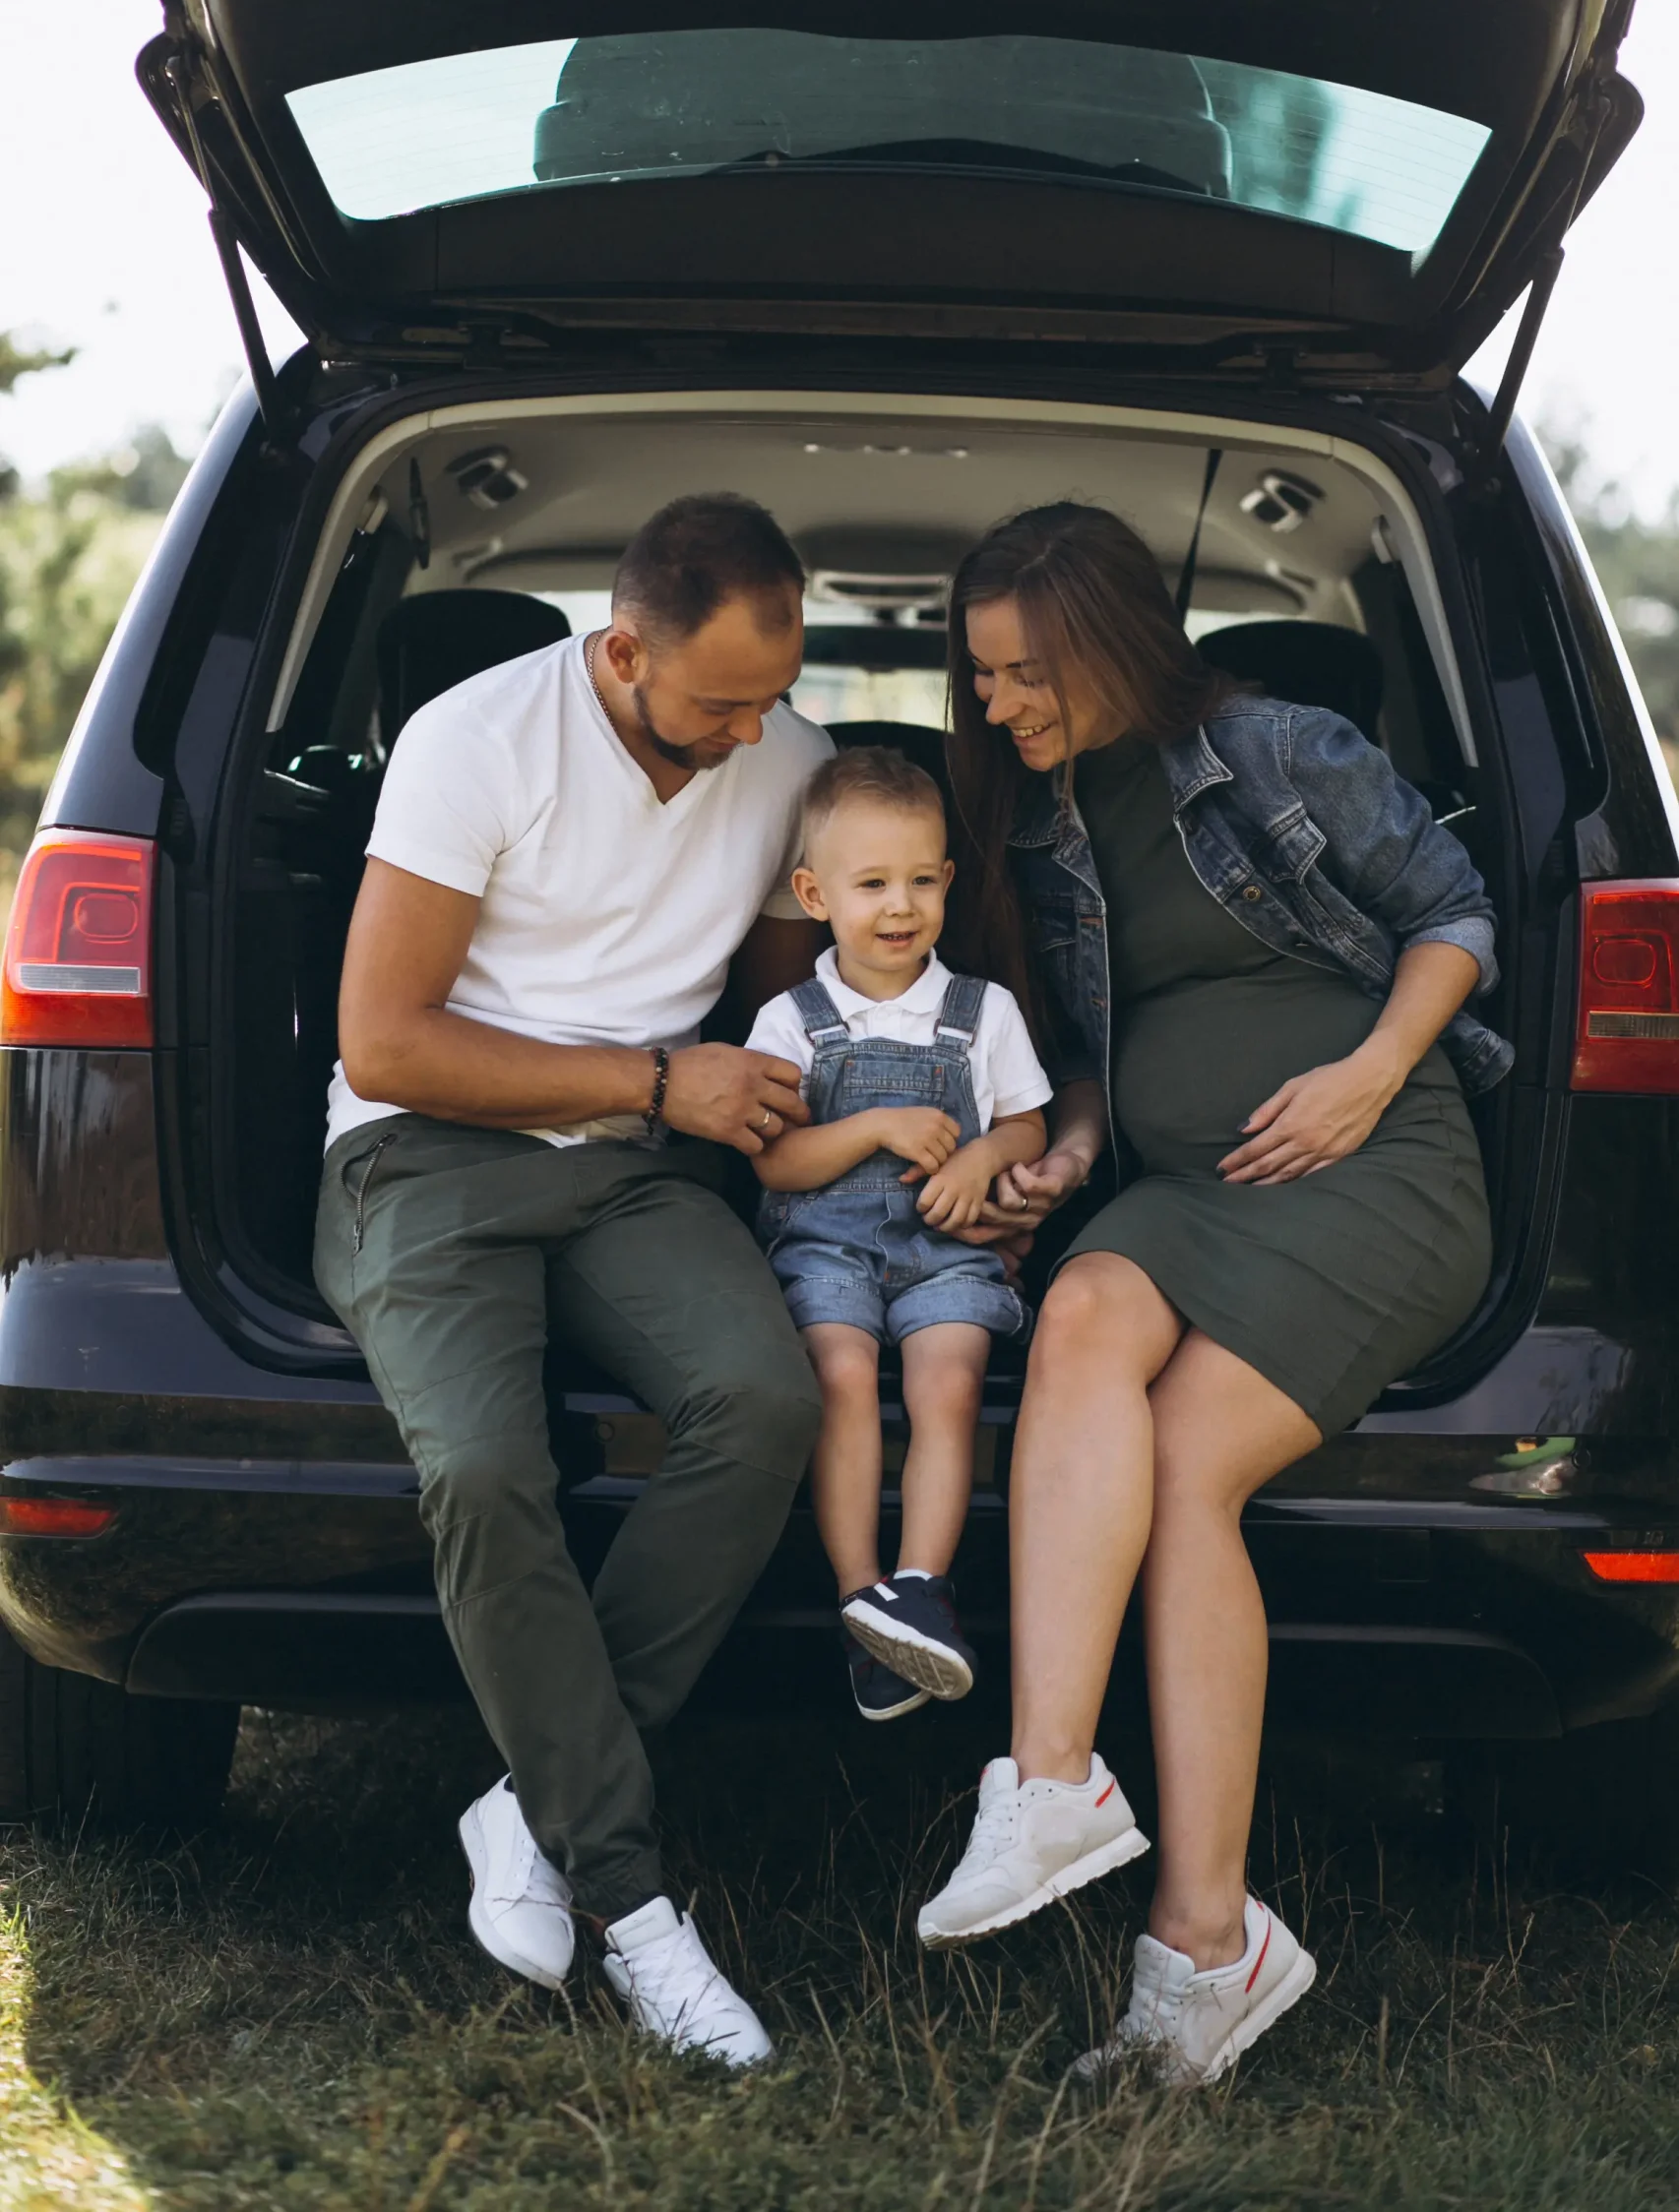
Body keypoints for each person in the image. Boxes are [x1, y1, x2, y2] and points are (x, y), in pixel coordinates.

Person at [915, 501, 1511, 2086]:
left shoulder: (1272, 749)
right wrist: (1075, 1142)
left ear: (1113, 640)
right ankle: (1053, 1785)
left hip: (1373, 1165)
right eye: (978, 680)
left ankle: (1202, 1943)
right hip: (1183, 1186)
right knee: (1087, 1319)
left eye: (1024, 673)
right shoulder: (1030, 822)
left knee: (1186, 1476)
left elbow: (1454, 914)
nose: (999, 707)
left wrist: (1370, 1073)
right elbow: (1109, 1036)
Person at [315, 494, 835, 2068]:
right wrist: (654, 1079)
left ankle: (530, 1808)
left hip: (635, 1167)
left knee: (760, 1402)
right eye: (720, 704)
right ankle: (630, 1900)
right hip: (421, 1152)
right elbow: (383, 1040)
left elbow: (767, 1005)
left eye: (772, 696)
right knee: (483, 1468)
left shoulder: (787, 756)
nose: (755, 736)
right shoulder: (476, 741)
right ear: (620, 651)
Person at [746, 748, 1051, 1720]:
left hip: (943, 1248)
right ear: (812, 892)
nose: (898, 906)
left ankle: (918, 1590)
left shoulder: (978, 1012)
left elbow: (1026, 1123)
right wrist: (874, 1126)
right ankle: (859, 1596)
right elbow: (774, 1162)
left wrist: (978, 1159)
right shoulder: (790, 1020)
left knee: (946, 1381)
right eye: (870, 882)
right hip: (824, 1247)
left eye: (921, 880)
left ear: (947, 884)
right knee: (837, 1373)